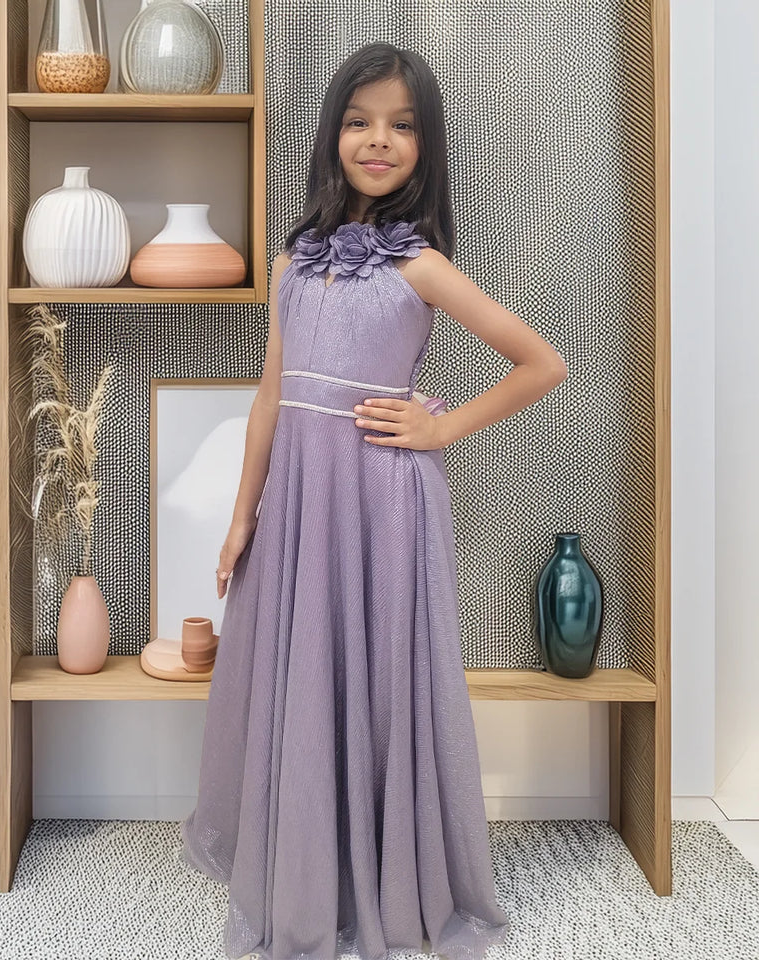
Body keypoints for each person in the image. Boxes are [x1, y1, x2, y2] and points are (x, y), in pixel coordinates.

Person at [180, 41, 567, 960]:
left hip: (383, 504)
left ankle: (385, 875)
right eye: (360, 122)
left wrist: (442, 425)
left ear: (424, 148)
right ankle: (309, 860)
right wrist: (243, 517)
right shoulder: (293, 259)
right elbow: (273, 393)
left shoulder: (420, 265)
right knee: (306, 674)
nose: (378, 140)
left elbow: (543, 363)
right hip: (302, 504)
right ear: (333, 135)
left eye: (401, 126)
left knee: (379, 678)